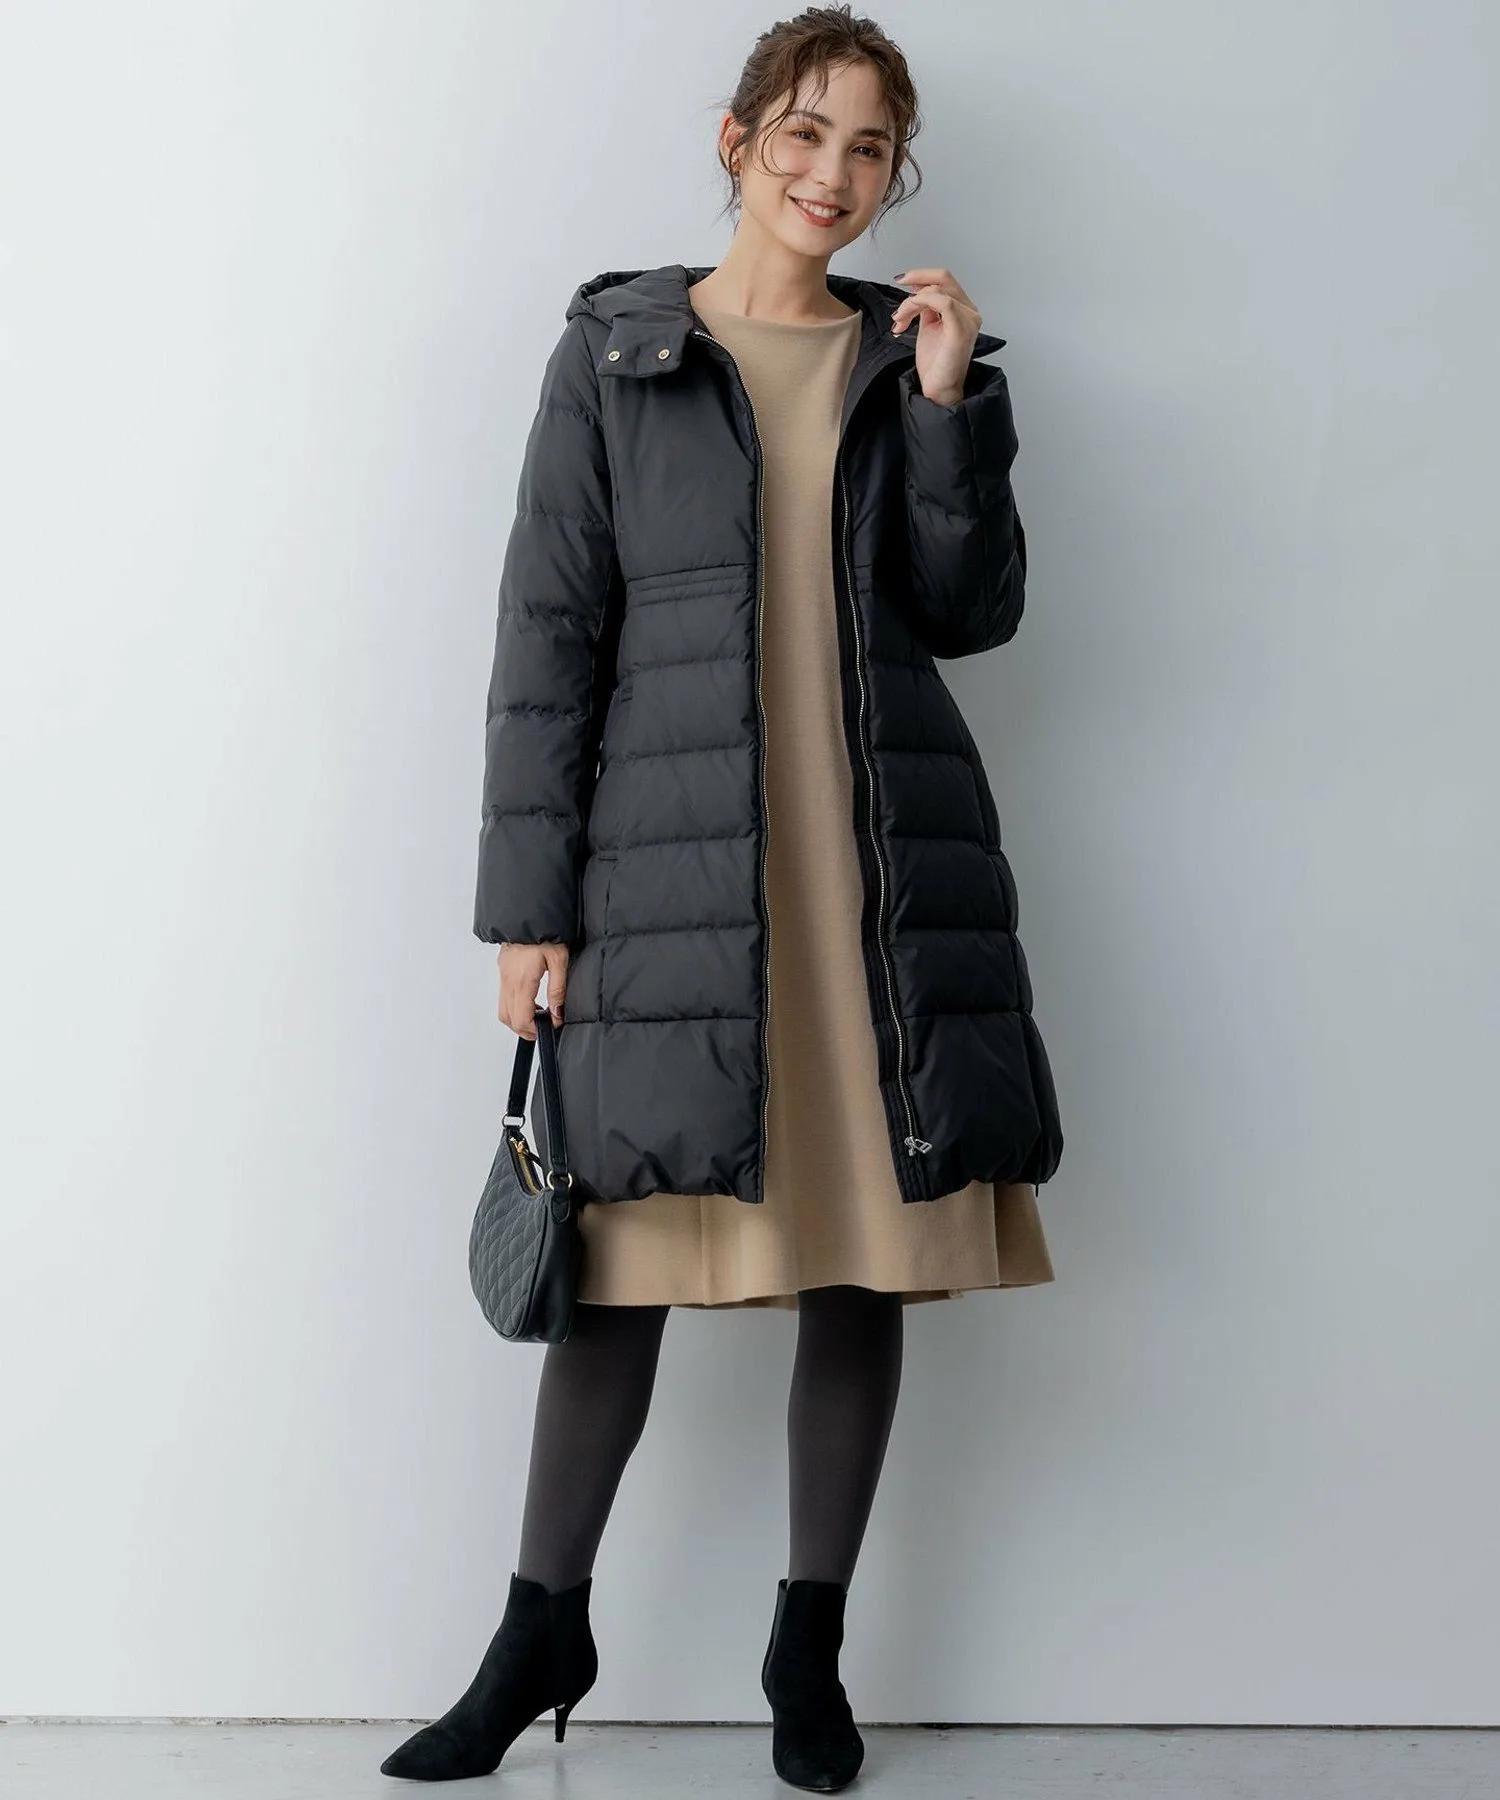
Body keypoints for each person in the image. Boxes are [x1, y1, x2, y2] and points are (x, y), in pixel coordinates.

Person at [381, 5, 1062, 1789]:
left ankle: (806, 1650)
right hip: (671, 880)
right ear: (738, 137)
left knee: (861, 1263)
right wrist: (529, 912)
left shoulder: (904, 361)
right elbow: (547, 641)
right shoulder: (616, 355)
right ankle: (540, 1626)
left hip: (873, 880)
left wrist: (947, 411)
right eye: (806, 134)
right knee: (614, 1275)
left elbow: (969, 609)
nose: (834, 175)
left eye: (870, 148)